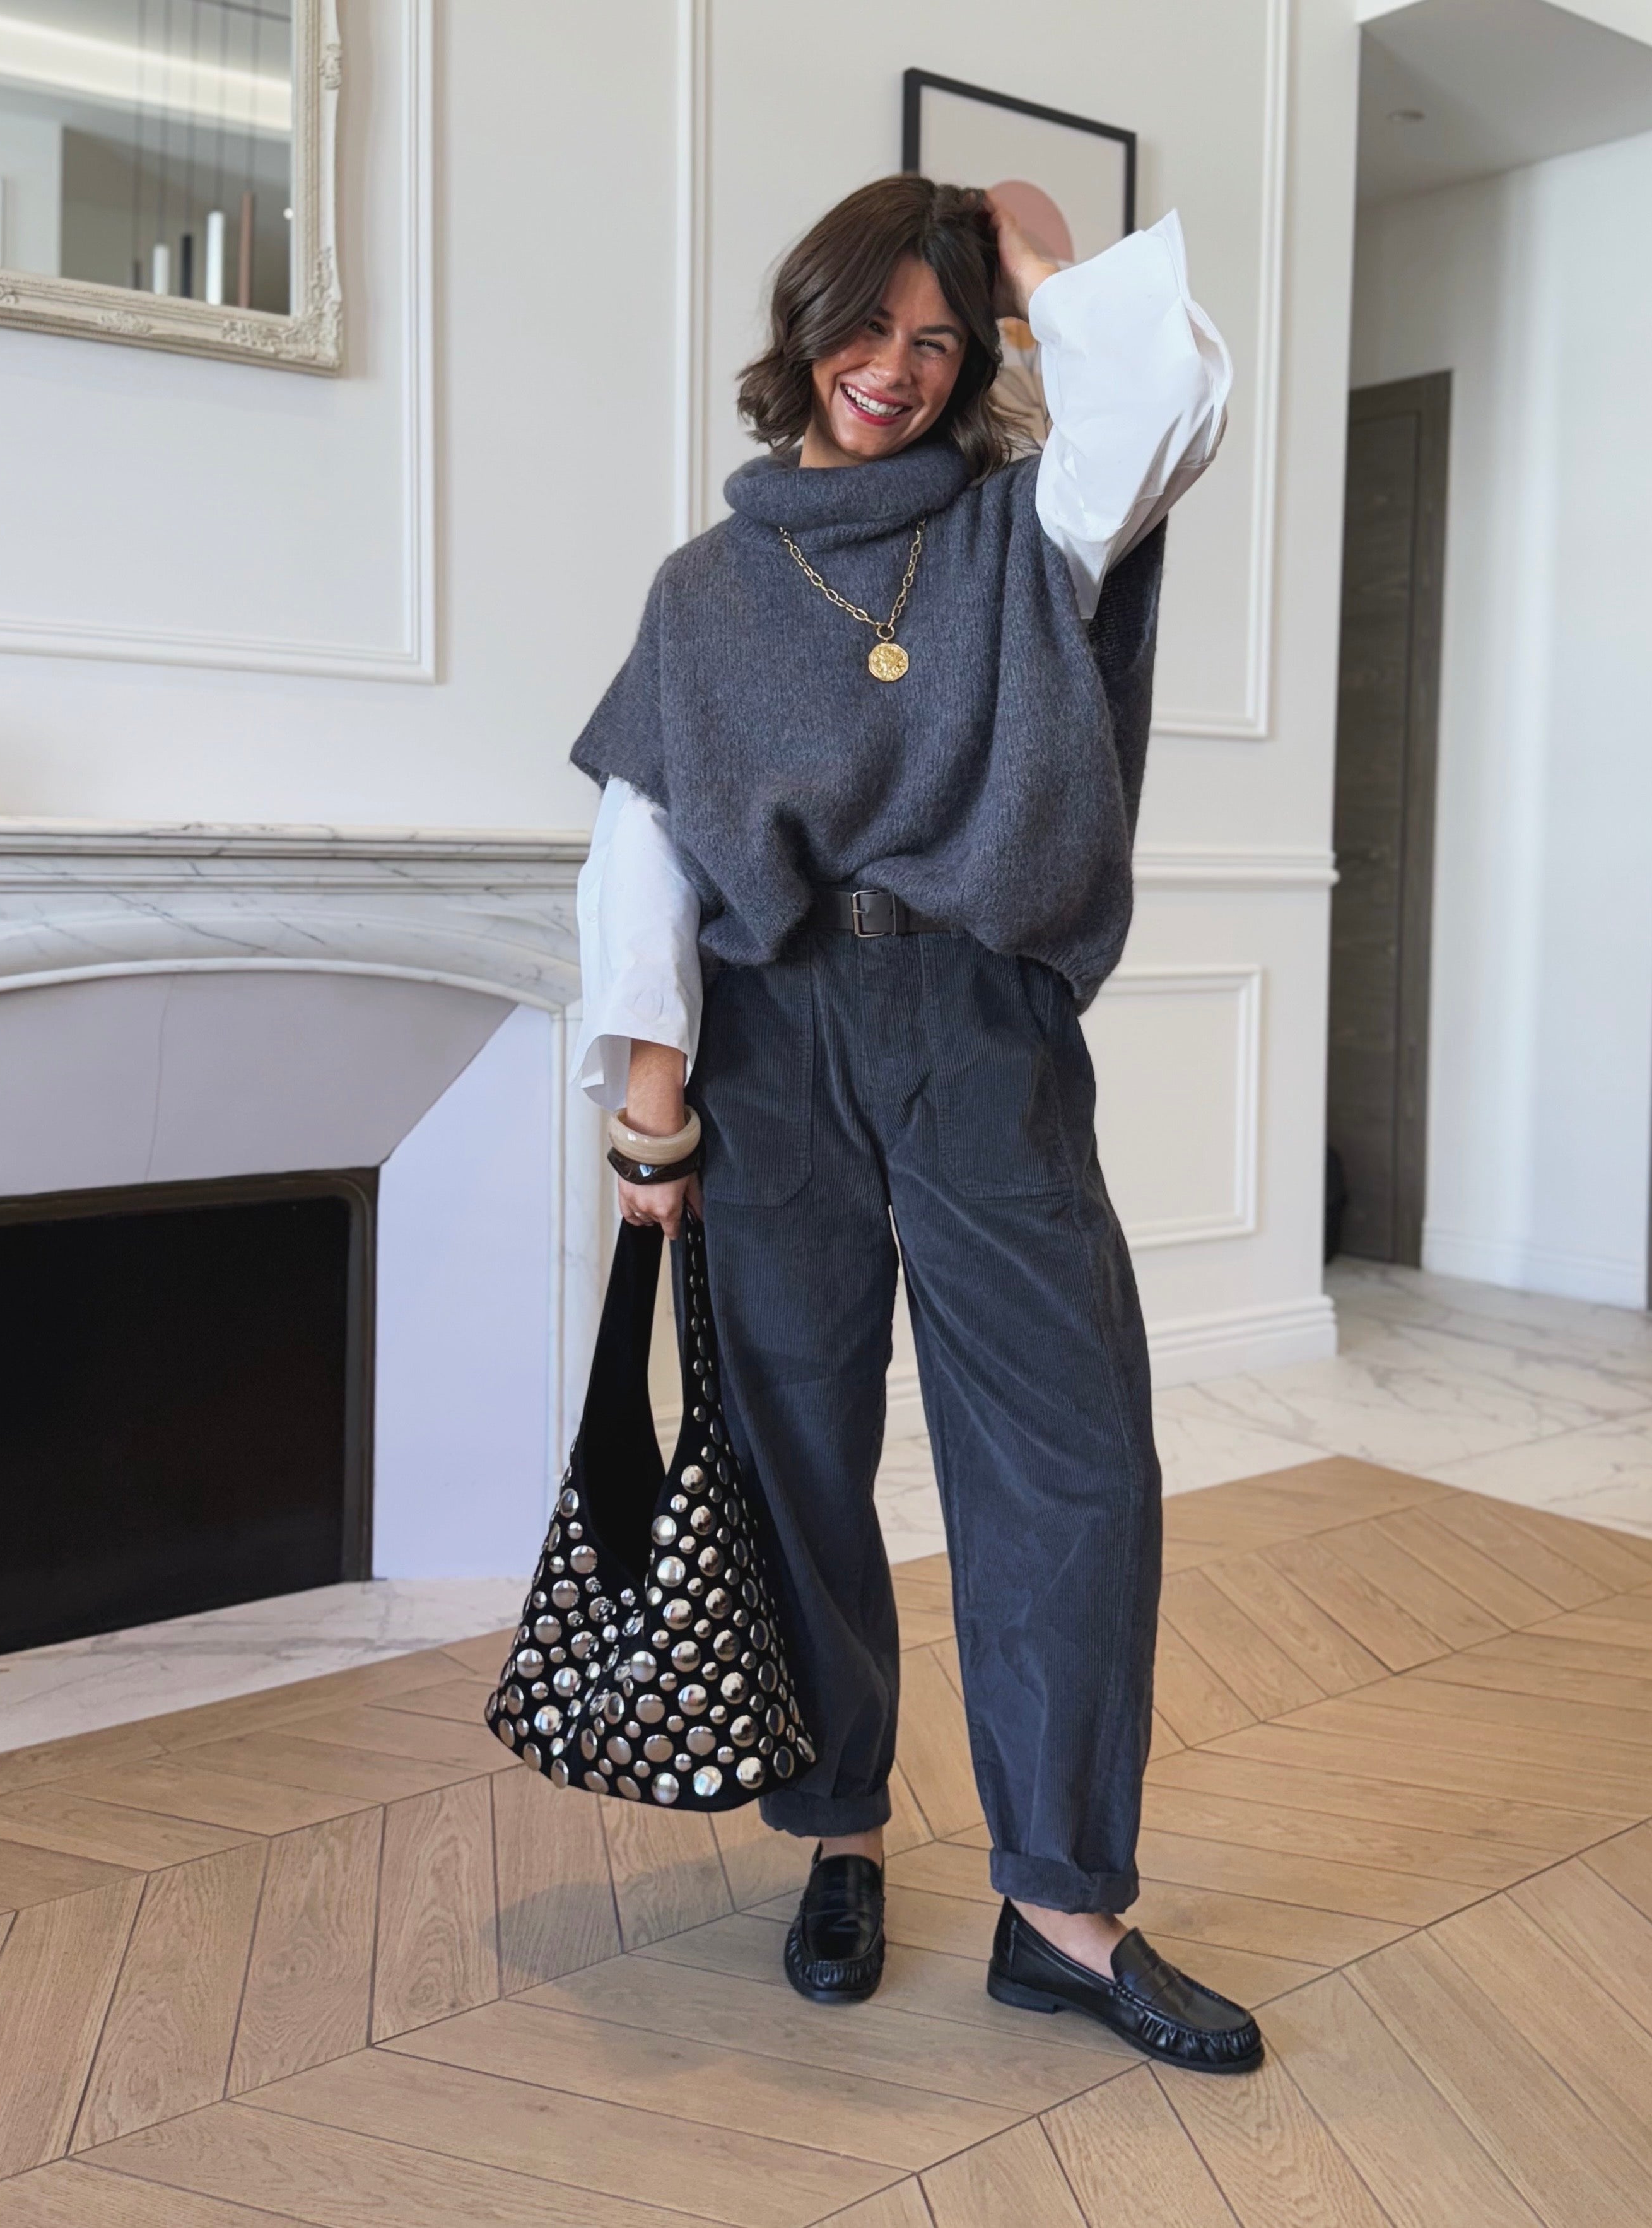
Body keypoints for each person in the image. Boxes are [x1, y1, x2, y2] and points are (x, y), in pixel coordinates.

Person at [569, 175, 1261, 2073]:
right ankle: (840, 1840)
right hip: (771, 1040)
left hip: (978, 1026)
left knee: (1068, 1460)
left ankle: (1062, 1907)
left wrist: (1037, 255)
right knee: (796, 1446)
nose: (895, 368)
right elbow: (644, 841)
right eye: (866, 327)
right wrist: (650, 1108)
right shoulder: (704, 592)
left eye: (939, 339)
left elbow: (1172, 403)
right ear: (803, 329)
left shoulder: (1029, 528)